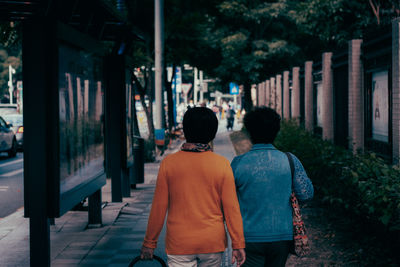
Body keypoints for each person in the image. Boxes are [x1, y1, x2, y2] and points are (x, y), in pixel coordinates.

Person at [141, 107, 246, 267]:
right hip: (212, 241)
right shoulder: (222, 164)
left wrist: (150, 242)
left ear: (186, 130)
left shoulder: (169, 164)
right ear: (213, 132)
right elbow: (232, 208)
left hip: (179, 242)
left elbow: (158, 207)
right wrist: (238, 244)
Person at [231, 107, 314, 267]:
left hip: (249, 237)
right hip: (282, 236)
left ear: (249, 132)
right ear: (276, 130)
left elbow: (229, 201)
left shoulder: (238, 163)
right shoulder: (290, 160)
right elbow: (307, 194)